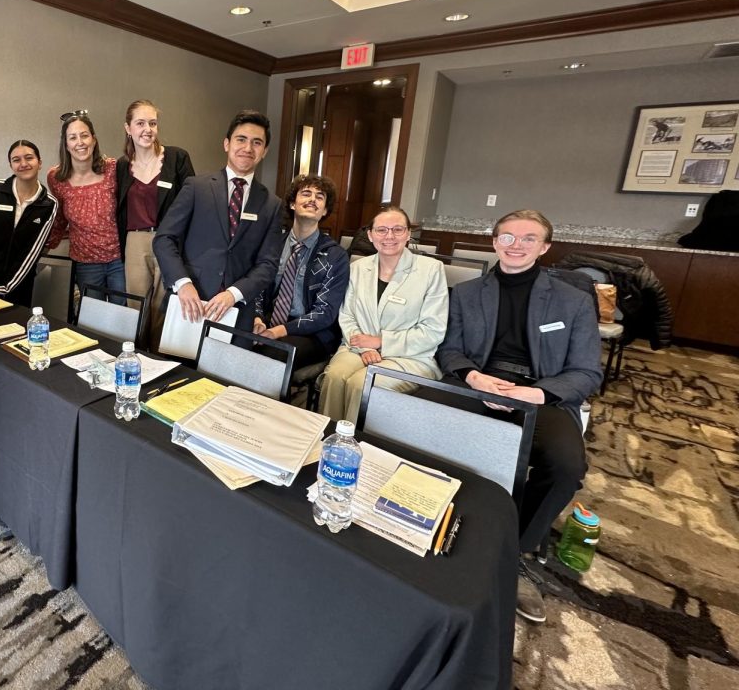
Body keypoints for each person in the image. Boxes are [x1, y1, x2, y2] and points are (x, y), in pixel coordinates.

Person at [427, 209, 601, 625]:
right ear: (494, 242)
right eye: (507, 237)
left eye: (528, 238)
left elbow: (587, 372)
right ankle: (432, 521)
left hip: (543, 393)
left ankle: (515, 552)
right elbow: (448, 350)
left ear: (544, 247)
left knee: (566, 466)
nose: (516, 245)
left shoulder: (573, 301)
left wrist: (535, 392)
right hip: (479, 383)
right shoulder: (467, 294)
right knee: (412, 421)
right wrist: (474, 376)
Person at [152, 109, 283, 331]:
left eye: (257, 142)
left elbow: (268, 265)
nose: (248, 148)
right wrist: (183, 284)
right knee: (178, 366)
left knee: (227, 366)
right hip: (189, 304)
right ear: (226, 144)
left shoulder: (272, 203)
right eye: (241, 139)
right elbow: (164, 239)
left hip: (237, 311)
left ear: (265, 151)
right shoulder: (196, 187)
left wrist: (234, 294)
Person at [317, 206, 448, 423]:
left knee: (362, 384)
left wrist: (380, 342)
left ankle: (356, 447)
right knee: (335, 377)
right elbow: (347, 314)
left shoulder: (431, 269)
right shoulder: (358, 267)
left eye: (397, 229)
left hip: (409, 355)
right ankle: (325, 438)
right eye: (382, 230)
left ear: (408, 234)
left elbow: (432, 331)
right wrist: (365, 346)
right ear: (370, 235)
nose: (389, 236)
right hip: (359, 347)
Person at [252, 174, 349, 370]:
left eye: (319, 197)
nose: (312, 199)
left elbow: (325, 313)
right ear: (292, 204)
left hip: (312, 333)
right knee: (228, 341)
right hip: (268, 322)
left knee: (269, 358)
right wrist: (257, 319)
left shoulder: (335, 256)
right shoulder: (273, 245)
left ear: (325, 211)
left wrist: (280, 331)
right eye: (306, 193)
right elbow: (257, 288)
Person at [115, 100, 195, 328]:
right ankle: (136, 357)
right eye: (140, 123)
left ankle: (159, 361)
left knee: (165, 307)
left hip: (168, 240)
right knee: (136, 307)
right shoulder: (122, 166)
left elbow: (191, 204)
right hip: (135, 241)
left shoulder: (177, 158)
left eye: (152, 123)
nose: (147, 129)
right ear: (128, 128)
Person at [45, 112, 125, 301]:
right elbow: (59, 219)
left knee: (121, 317)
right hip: (85, 262)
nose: (80, 142)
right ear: (66, 144)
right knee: (91, 318)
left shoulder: (114, 169)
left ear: (94, 139)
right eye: (73, 137)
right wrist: (45, 248)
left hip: (119, 259)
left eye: (84, 135)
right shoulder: (56, 178)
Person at [0, 140, 58, 305]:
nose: (23, 164)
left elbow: (32, 253)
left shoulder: (49, 204)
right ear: (11, 165)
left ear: (39, 163)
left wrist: (4, 287)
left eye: (29, 158)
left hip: (20, 289)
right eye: (16, 160)